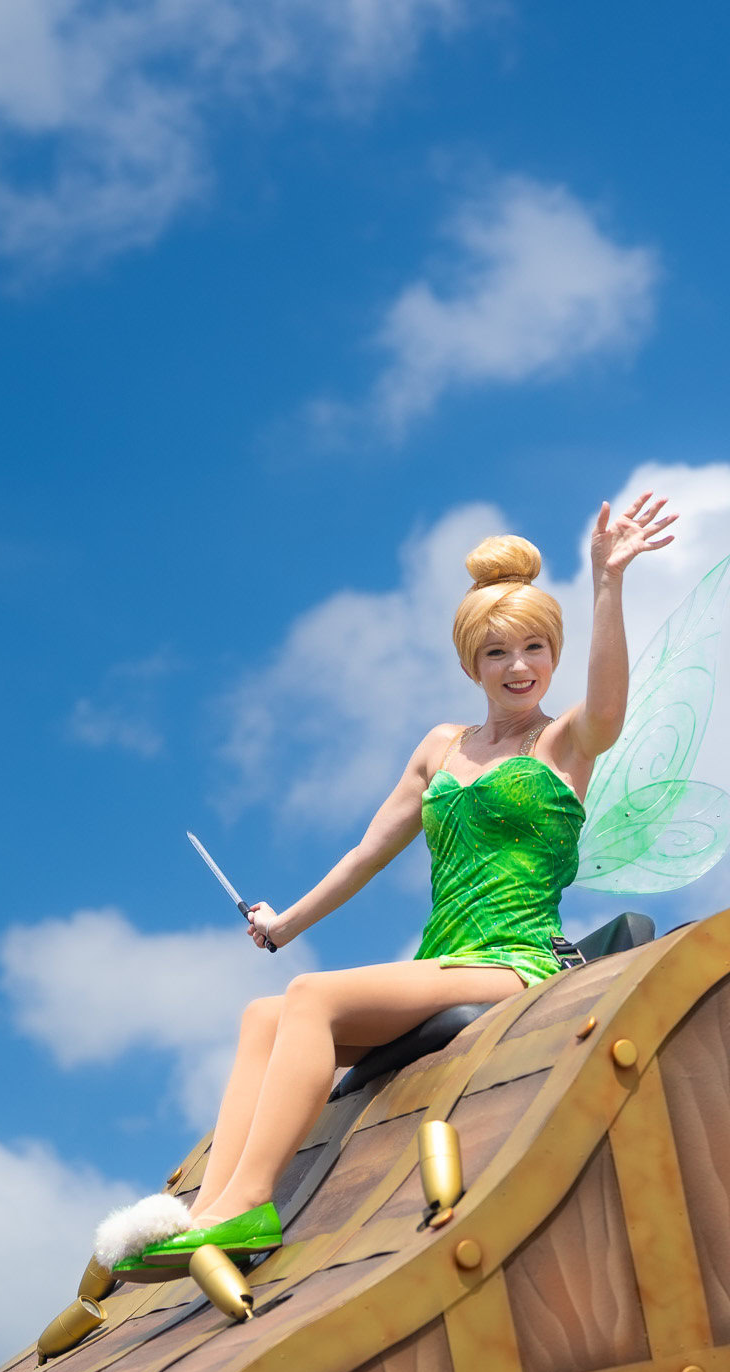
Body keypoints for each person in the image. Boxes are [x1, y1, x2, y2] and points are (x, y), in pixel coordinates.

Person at [95, 495, 677, 1279]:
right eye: (499, 652)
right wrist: (284, 924)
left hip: (518, 959)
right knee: (266, 1012)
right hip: (445, 956)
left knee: (311, 998)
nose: (519, 667)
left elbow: (610, 709)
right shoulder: (441, 747)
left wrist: (608, 584)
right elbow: (369, 851)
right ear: (472, 662)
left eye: (536, 648)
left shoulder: (563, 741)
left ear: (554, 654)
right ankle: (204, 1212)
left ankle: (246, 1206)